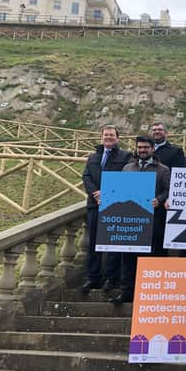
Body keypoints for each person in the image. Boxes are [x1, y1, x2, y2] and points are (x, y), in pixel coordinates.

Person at [111, 135, 171, 304]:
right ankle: (126, 292)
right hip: (130, 222)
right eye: (140, 147)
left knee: (152, 259)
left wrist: (158, 200)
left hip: (154, 223)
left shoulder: (163, 170)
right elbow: (120, 189)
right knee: (128, 259)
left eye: (146, 147)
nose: (142, 150)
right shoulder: (127, 168)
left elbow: (169, 190)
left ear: (152, 149)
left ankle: (150, 294)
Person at [81, 125, 132, 295]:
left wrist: (108, 193)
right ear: (101, 137)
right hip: (94, 204)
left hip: (115, 204)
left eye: (112, 135)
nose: (108, 137)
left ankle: (111, 277)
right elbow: (86, 176)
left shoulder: (126, 156)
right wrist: (95, 193)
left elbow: (126, 177)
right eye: (106, 135)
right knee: (93, 242)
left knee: (112, 242)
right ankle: (92, 277)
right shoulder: (93, 156)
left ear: (118, 138)